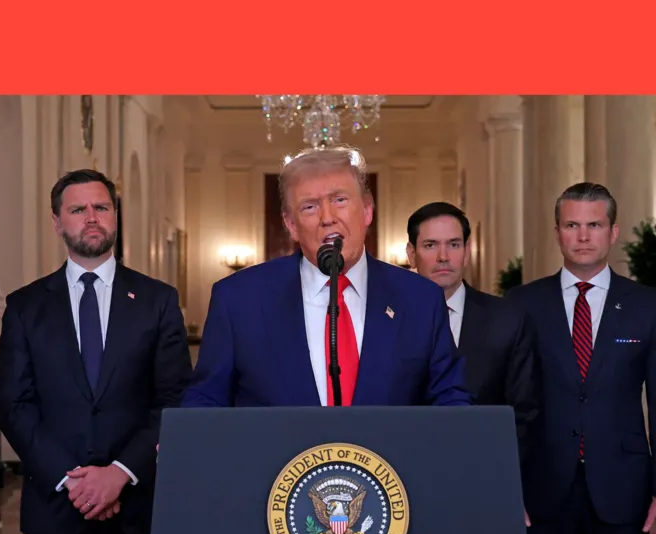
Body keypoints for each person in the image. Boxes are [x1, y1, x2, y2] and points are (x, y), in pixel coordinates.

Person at [0, 169, 192, 534]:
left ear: (115, 215)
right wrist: (74, 481)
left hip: (137, 507)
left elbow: (174, 399)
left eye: (101, 207)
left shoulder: (157, 300)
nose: (91, 217)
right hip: (56, 507)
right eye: (78, 209)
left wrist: (118, 473)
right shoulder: (26, 307)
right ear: (57, 221)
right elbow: (12, 404)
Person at [181, 146, 470, 408]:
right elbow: (206, 398)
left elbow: (449, 398)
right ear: (291, 225)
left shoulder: (420, 298)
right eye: (310, 206)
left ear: (367, 211)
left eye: (340, 200)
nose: (327, 217)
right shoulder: (238, 299)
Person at [510, 182, 656, 534]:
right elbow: (510, 403)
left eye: (594, 224)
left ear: (613, 231)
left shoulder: (646, 305)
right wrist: (507, 485)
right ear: (557, 232)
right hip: (542, 488)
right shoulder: (523, 303)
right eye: (572, 224)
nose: (583, 236)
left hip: (623, 487)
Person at [405, 201, 539, 468]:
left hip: (485, 472)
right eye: (430, 245)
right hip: (403, 475)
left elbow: (524, 415)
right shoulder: (387, 320)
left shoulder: (507, 319)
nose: (443, 256)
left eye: (453, 245)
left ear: (466, 251)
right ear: (411, 253)